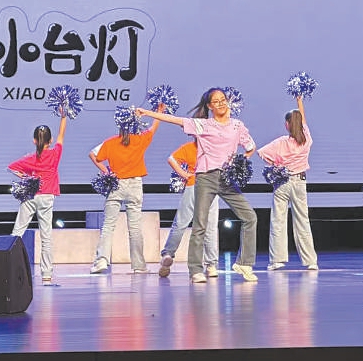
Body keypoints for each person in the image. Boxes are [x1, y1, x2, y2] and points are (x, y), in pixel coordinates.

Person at [137, 88, 258, 284]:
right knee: (200, 224)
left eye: (223, 100)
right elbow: (175, 120)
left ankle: (244, 263)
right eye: (216, 101)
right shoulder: (203, 125)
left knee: (250, 217)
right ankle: (195, 270)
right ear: (209, 106)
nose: (221, 103)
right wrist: (148, 113)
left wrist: (240, 162)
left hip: (227, 178)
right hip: (206, 178)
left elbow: (251, 147)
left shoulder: (237, 126)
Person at [89, 104, 164, 274]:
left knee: (108, 226)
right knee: (135, 228)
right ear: (134, 125)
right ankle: (139, 265)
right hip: (135, 185)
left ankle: (101, 262)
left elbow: (92, 155)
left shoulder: (110, 142)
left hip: (116, 185)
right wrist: (159, 112)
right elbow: (153, 128)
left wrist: (106, 171)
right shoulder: (140, 140)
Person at [258, 95, 318, 271]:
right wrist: (300, 101)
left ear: (287, 124)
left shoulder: (281, 142)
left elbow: (262, 153)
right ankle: (310, 261)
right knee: (302, 221)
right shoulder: (306, 140)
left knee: (278, 221)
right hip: (299, 183)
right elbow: (303, 120)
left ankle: (277, 260)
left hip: (282, 183)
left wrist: (276, 165)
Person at [8, 108, 68, 285]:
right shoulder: (55, 154)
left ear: (34, 140)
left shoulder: (30, 158)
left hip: (30, 196)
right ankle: (46, 276)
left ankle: (7, 267)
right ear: (50, 140)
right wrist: (63, 116)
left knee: (17, 232)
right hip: (47, 197)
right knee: (46, 236)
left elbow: (11, 167)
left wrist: (27, 177)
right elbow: (62, 135)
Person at [158, 137, 221, 278]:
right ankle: (211, 265)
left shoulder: (189, 147)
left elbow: (171, 159)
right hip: (211, 188)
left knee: (180, 223)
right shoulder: (214, 147)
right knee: (210, 227)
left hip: (193, 185)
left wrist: (185, 174)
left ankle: (168, 254)